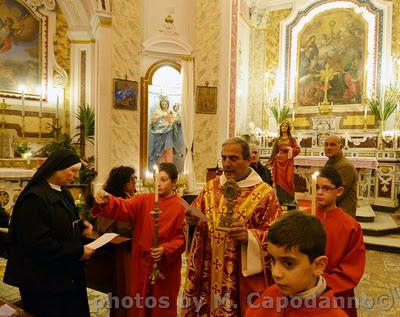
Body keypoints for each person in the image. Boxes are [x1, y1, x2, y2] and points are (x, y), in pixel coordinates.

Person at [182, 137, 282, 316]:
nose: (227, 164)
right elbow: (197, 215)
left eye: (233, 158)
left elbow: (278, 236)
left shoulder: (266, 194)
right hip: (209, 271)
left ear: (248, 160)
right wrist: (191, 222)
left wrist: (250, 237)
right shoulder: (211, 187)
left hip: (240, 278)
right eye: (224, 158)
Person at [4, 149, 95, 317]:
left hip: (67, 274)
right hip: (43, 280)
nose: (75, 176)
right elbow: (37, 243)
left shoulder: (63, 191)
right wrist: (78, 252)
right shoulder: (34, 198)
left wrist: (81, 225)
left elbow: (61, 220)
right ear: (57, 168)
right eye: (72, 171)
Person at [93, 162, 186, 317]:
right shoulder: (144, 200)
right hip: (142, 263)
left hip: (165, 266)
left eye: (164, 180)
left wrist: (166, 249)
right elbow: (123, 206)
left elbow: (183, 239)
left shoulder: (180, 206)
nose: (158, 184)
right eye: (157, 179)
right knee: (139, 303)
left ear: (174, 182)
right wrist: (106, 200)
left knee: (161, 305)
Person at [246, 211, 347, 317]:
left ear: (318, 265)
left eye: (288, 264)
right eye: (273, 260)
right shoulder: (270, 294)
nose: (275, 273)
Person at [315, 166, 366, 317]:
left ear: (339, 191)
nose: (319, 192)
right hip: (303, 290)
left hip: (335, 294)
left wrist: (319, 282)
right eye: (317, 187)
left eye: (326, 188)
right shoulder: (305, 218)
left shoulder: (350, 226)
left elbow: (352, 267)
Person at [95, 166, 136, 237]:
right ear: (122, 182)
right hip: (116, 242)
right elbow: (102, 228)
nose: (135, 182)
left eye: (135, 178)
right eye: (132, 179)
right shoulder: (109, 200)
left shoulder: (131, 196)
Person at [323, 134, 357, 217]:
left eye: (333, 144)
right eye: (326, 144)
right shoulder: (332, 161)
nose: (328, 147)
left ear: (340, 147)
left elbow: (338, 194)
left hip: (342, 212)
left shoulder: (345, 166)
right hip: (331, 209)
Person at [269, 120, 300, 205]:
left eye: (285, 126)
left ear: (288, 128)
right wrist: (270, 161)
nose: (283, 127)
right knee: (279, 181)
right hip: (279, 162)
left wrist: (291, 149)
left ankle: (290, 200)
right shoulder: (277, 139)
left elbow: (297, 149)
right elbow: (274, 152)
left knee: (288, 180)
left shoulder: (291, 140)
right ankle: (281, 200)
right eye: (282, 126)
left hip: (288, 162)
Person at [149, 97, 175, 166]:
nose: (164, 105)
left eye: (165, 104)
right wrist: (161, 122)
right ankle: (161, 165)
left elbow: (172, 122)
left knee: (168, 148)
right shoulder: (158, 113)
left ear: (167, 104)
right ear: (161, 105)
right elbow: (154, 122)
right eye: (163, 104)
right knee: (160, 149)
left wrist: (170, 123)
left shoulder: (169, 113)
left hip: (168, 132)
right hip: (159, 134)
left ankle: (169, 165)